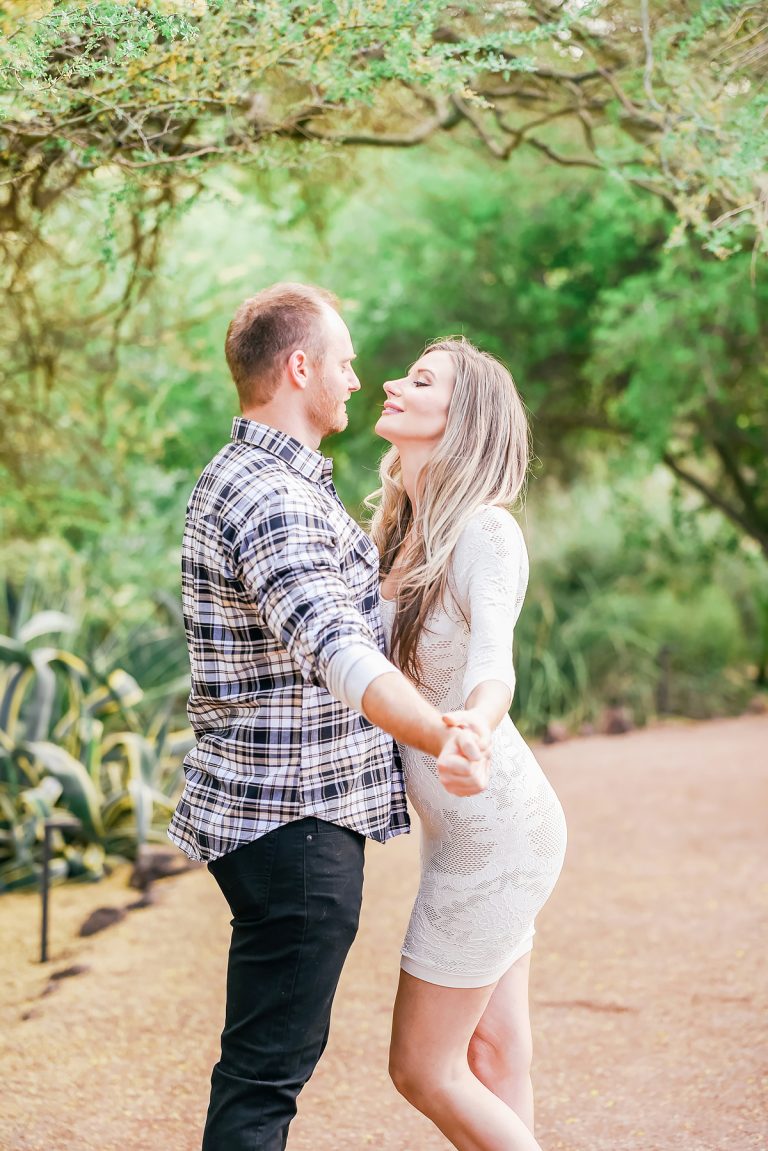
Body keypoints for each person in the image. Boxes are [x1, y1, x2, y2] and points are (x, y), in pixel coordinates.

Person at [167, 284, 489, 1151]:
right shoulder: (270, 496)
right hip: (294, 822)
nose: (356, 378)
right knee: (264, 1081)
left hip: (285, 820)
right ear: (299, 366)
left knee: (262, 1072)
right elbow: (338, 649)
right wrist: (441, 733)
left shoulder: (273, 483)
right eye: (342, 361)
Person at [369, 336, 568, 1151]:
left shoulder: (485, 532)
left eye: (420, 381)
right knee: (493, 1049)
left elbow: (494, 660)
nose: (391, 384)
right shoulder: (393, 532)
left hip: (496, 829)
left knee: (423, 1066)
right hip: (456, 835)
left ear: (464, 419)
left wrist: (474, 729)